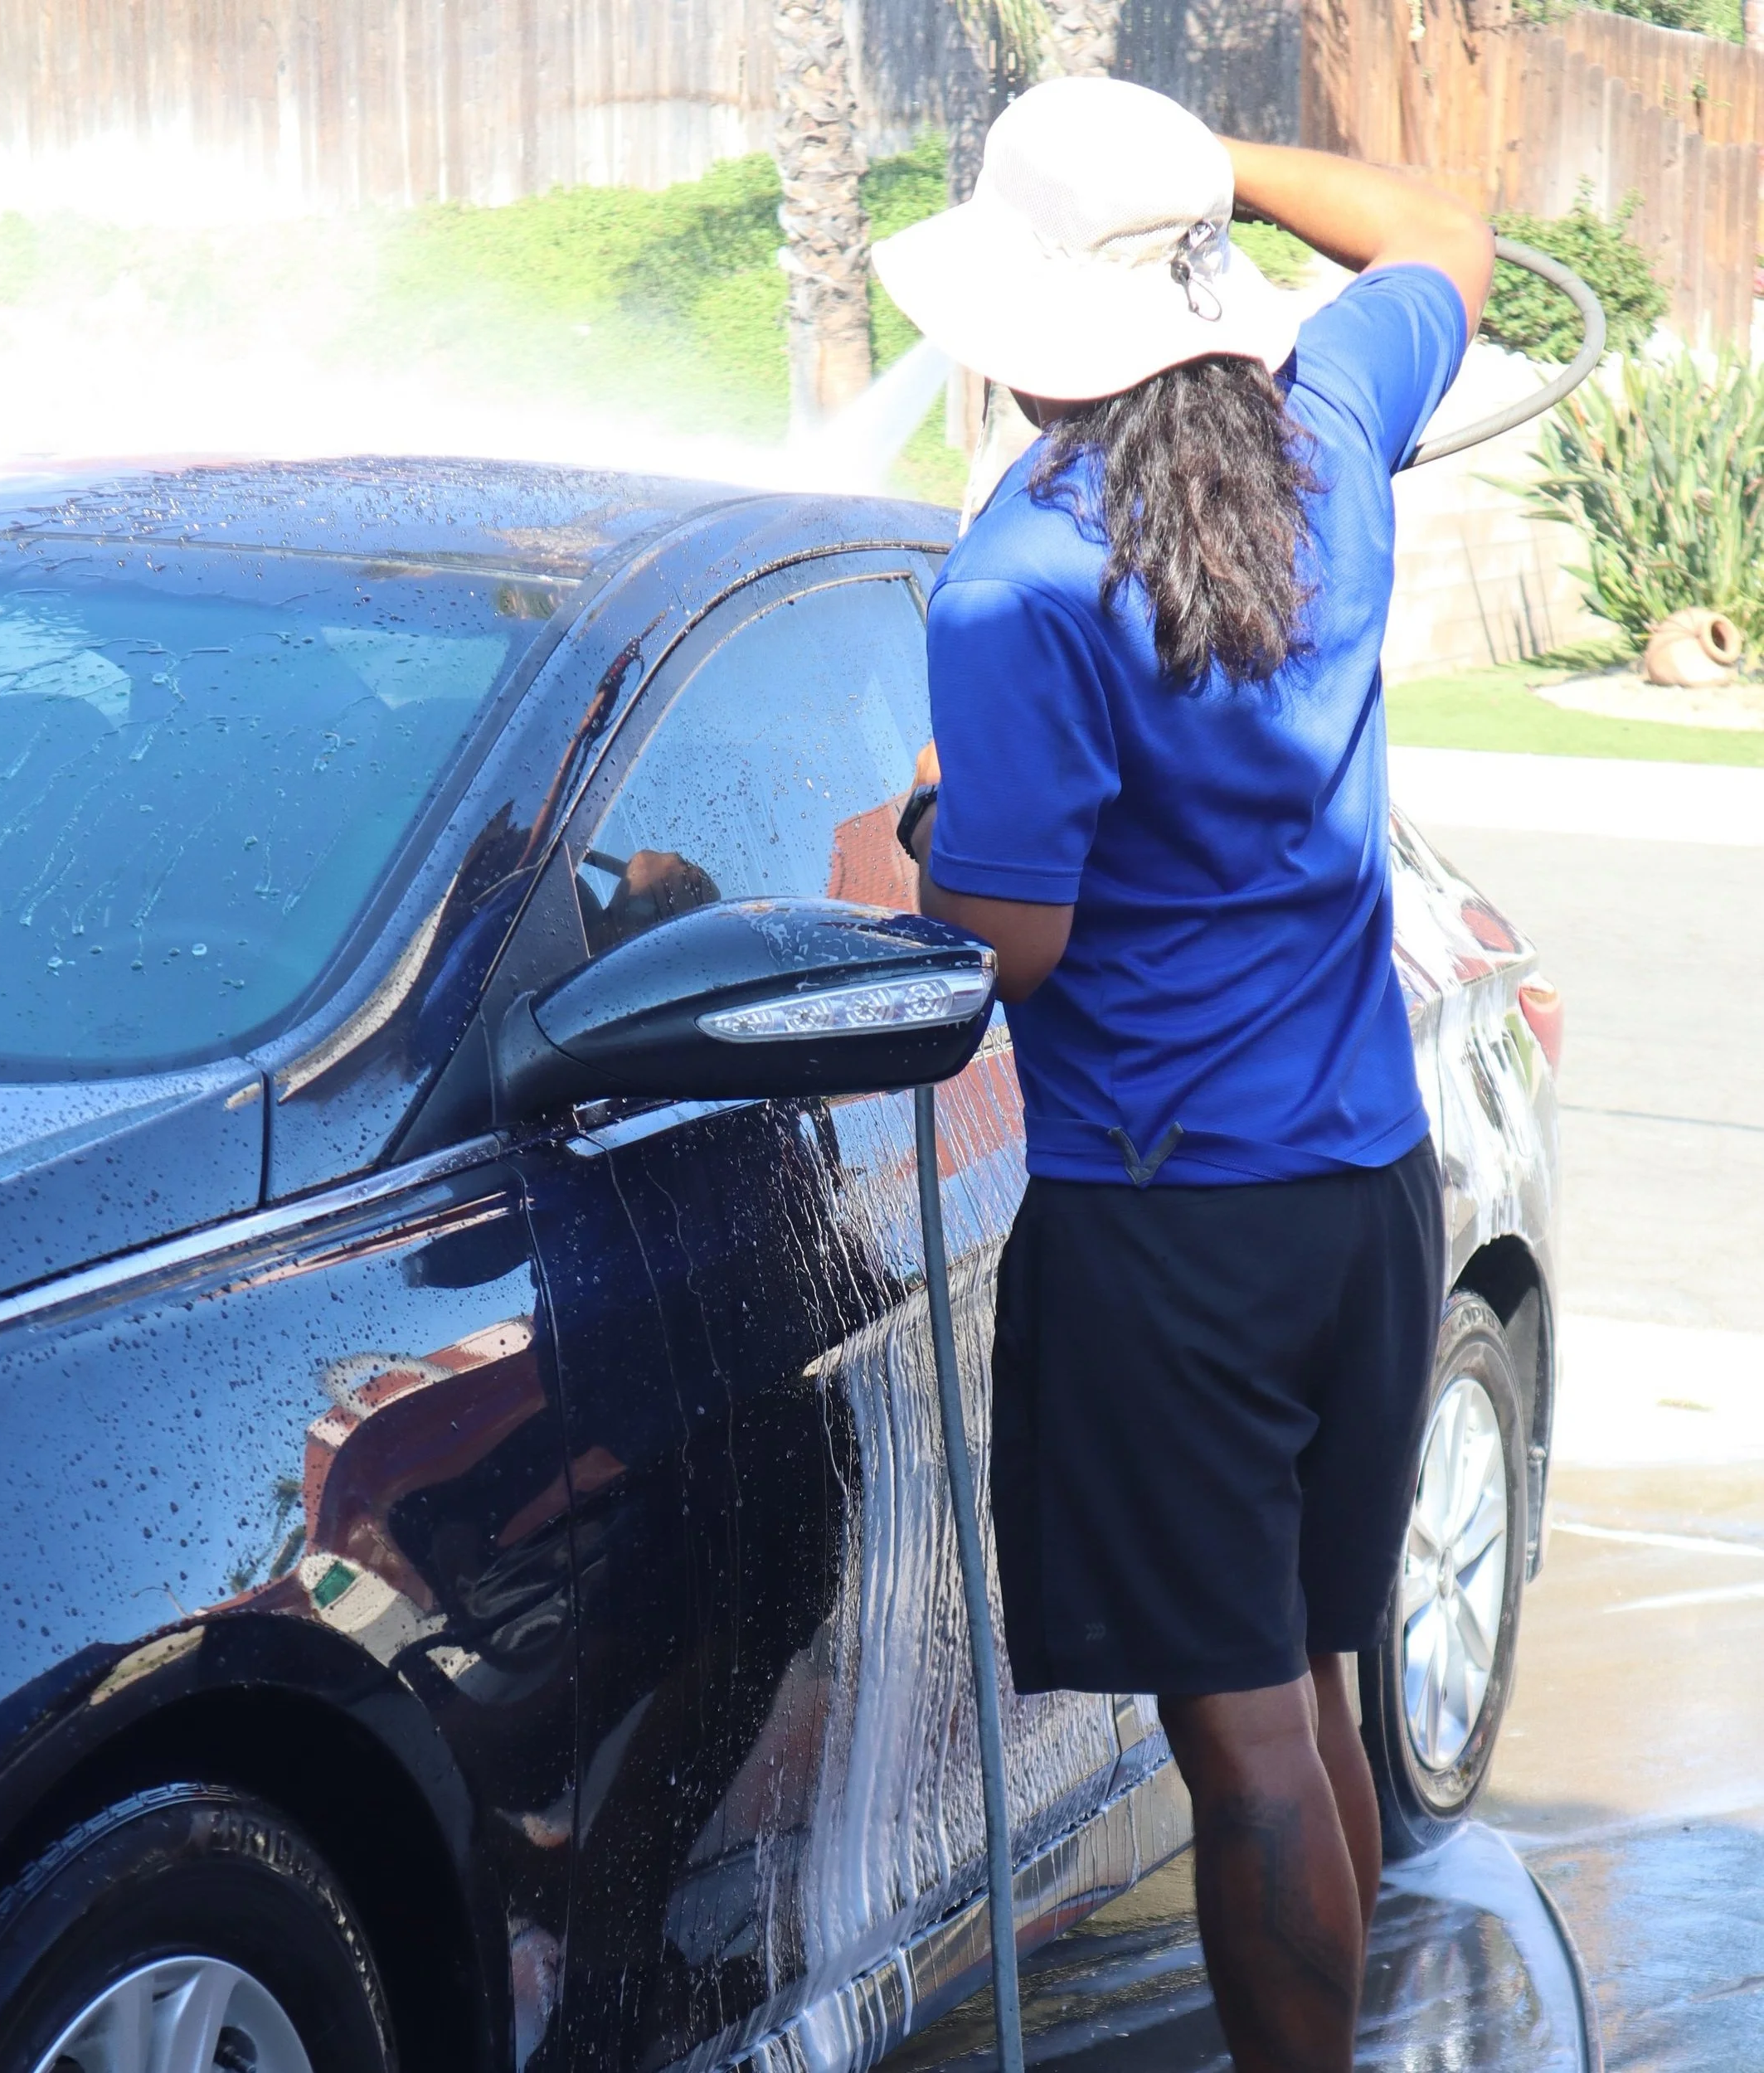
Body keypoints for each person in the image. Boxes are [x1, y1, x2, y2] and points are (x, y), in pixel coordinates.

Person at [872, 79, 1491, 2073]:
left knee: (1242, 1761)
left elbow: (1011, 940)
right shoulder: (1327, 429)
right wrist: (1210, 175)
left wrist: (922, 834)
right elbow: (1439, 242)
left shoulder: (1017, 577)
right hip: (1363, 1197)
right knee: (1307, 1704)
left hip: (1172, 1235)